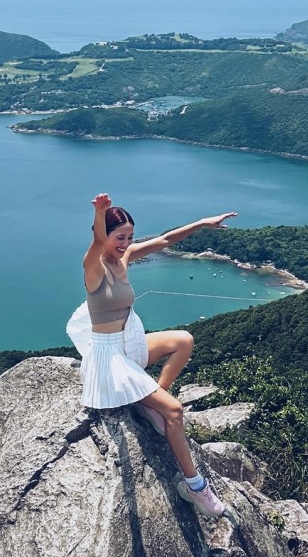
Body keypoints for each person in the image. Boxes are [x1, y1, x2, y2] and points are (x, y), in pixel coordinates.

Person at [66, 193, 237, 518]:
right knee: (174, 412)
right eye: (120, 237)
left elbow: (165, 239)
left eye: (129, 237)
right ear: (105, 234)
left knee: (184, 340)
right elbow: (96, 242)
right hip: (108, 358)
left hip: (127, 344)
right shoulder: (94, 268)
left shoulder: (124, 258)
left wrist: (203, 222)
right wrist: (101, 213)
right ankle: (194, 486)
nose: (125, 243)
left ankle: (148, 398)